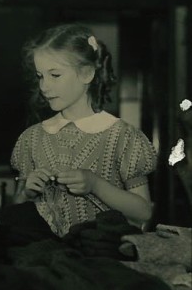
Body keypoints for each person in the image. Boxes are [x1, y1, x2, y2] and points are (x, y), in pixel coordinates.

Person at [10, 23, 156, 237]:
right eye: (40, 76)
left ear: (87, 74)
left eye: (55, 75)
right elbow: (17, 208)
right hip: (44, 256)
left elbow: (144, 212)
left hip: (100, 256)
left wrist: (95, 184)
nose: (44, 86)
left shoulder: (122, 136)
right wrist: (27, 193)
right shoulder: (31, 138)